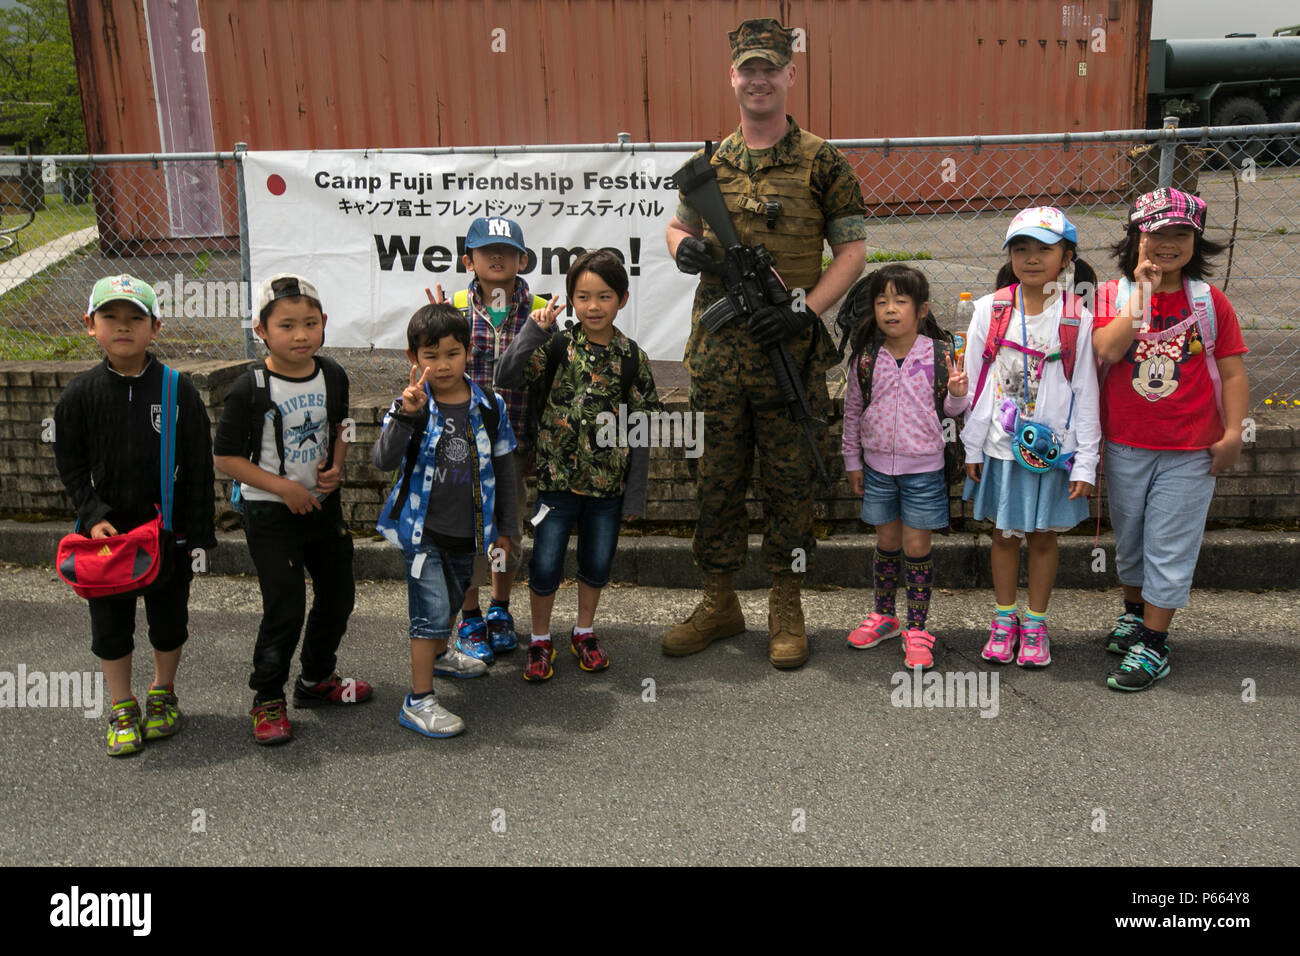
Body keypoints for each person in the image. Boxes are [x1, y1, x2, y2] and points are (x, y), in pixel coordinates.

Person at [662, 16, 868, 669]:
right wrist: (687, 248)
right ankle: (719, 602)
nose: (758, 79)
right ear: (733, 77)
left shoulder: (822, 161)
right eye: (747, 69)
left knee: (789, 485)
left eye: (768, 69)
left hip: (789, 356)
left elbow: (854, 251)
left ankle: (786, 603)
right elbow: (675, 228)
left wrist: (806, 310)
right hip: (720, 360)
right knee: (716, 482)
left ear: (788, 76)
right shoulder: (709, 165)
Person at [1092, 187, 1248, 691]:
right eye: (1155, 233)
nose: (1167, 243)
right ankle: (1134, 613)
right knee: (1132, 540)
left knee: (1170, 546)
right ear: (1136, 237)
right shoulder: (1113, 296)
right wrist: (1143, 291)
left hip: (1190, 450)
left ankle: (1154, 643)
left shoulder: (1209, 301)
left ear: (1195, 241)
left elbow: (1234, 371)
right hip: (1126, 444)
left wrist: (1232, 434)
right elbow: (1109, 349)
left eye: (1180, 233)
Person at [54, 275, 216, 756]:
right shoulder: (80, 394)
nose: (123, 327)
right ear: (90, 326)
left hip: (166, 532)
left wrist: (200, 535)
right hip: (105, 536)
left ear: (155, 327)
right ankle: (122, 705)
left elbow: (200, 465)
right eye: (110, 317)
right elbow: (71, 463)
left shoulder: (177, 389)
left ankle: (162, 693)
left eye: (135, 318)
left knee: (169, 622)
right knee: (110, 626)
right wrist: (92, 511)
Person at [213, 274, 371, 745]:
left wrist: (336, 468)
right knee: (285, 607)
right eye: (286, 326)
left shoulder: (333, 374)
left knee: (339, 595)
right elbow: (225, 458)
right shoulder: (249, 388)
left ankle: (316, 680)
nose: (300, 335)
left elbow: (343, 424)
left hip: (322, 506)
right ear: (261, 330)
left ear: (324, 324)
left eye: (309, 323)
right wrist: (283, 488)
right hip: (270, 513)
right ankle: (267, 698)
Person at [495, 249, 659, 681]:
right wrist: (535, 329)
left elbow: (640, 431)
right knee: (545, 564)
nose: (593, 306)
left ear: (622, 299)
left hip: (607, 490)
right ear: (570, 299)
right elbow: (506, 374)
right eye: (583, 296)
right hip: (554, 484)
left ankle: (584, 631)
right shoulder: (556, 347)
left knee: (597, 563)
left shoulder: (632, 359)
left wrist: (635, 494)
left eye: (604, 296)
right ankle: (541, 639)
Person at [961, 208, 1101, 668]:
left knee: (1042, 538)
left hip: (1054, 456)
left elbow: (1086, 394)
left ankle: (1036, 623)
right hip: (1002, 450)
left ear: (1068, 257)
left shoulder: (1077, 317)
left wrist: (1085, 463)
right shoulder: (990, 310)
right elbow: (978, 386)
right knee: (1003, 535)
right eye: (1021, 248)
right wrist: (972, 446)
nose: (1032, 258)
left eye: (1044, 248)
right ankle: (1004, 620)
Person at [374, 303, 518, 735]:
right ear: (412, 358)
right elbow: (383, 461)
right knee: (429, 612)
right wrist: (406, 413)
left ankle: (441, 656)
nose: (441, 365)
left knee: (455, 600)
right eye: (430, 356)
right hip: (423, 533)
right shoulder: (411, 405)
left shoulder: (490, 405)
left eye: (452, 354)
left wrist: (507, 530)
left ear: (468, 351)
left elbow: (506, 471)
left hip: (471, 532)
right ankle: (418, 700)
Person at [841, 265, 969, 669]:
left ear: (922, 309)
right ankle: (884, 616)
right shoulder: (865, 359)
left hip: (924, 471)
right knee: (887, 543)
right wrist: (851, 459)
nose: (890, 310)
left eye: (900, 301)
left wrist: (957, 394)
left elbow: (951, 411)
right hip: (877, 469)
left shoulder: (938, 354)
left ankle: (917, 628)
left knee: (917, 547)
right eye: (882, 302)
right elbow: (852, 411)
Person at [448, 217, 550, 665]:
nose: (495, 258)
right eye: (485, 250)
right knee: (466, 533)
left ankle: (500, 608)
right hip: (461, 448)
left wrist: (536, 446)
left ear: (521, 260)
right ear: (468, 260)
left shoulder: (543, 311)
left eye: (506, 251)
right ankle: (468, 615)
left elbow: (550, 387)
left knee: (507, 532)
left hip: (514, 449)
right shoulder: (451, 309)